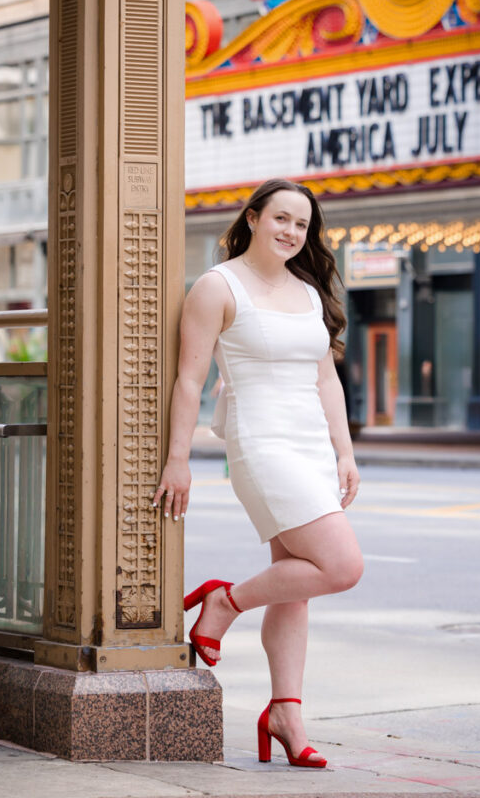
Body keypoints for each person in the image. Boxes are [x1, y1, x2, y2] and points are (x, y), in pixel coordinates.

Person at [152, 178, 363, 769]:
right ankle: (224, 603)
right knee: (341, 566)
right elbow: (189, 379)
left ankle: (286, 715)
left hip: (311, 446)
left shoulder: (307, 290)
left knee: (295, 581)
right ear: (252, 218)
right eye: (282, 219)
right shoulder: (218, 287)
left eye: (303, 225)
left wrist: (344, 453)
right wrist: (179, 459)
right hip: (261, 442)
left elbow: (326, 379)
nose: (293, 233)